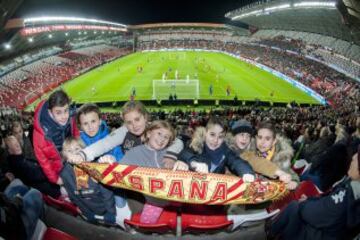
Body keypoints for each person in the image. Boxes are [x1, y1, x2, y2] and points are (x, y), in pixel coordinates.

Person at [268, 145, 360, 240]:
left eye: (358, 157)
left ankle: (268, 233)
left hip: (317, 233)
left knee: (294, 207)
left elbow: (315, 214)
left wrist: (303, 203)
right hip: (323, 228)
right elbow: (326, 201)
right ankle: (271, 232)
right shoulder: (349, 187)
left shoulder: (349, 195)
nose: (353, 157)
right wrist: (309, 199)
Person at [67, 101, 183, 170]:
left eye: (137, 119)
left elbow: (178, 141)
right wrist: (83, 155)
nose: (134, 125)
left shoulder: (155, 129)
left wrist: (171, 155)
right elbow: (104, 144)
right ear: (125, 123)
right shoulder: (124, 131)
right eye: (129, 122)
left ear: (145, 117)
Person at [120, 120, 189, 224]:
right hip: (140, 198)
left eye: (166, 137)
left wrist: (182, 165)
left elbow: (178, 177)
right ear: (148, 134)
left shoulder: (168, 155)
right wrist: (110, 160)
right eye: (159, 133)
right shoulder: (134, 153)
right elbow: (118, 172)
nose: (162, 139)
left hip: (165, 196)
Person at [60, 137, 117, 225]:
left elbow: (107, 193)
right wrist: (85, 212)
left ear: (84, 150)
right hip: (88, 209)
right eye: (69, 151)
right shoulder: (65, 173)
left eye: (77, 149)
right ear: (64, 154)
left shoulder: (94, 167)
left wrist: (111, 212)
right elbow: (74, 197)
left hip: (104, 206)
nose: (74, 153)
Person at [178, 117, 255, 181]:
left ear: (224, 137)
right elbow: (184, 154)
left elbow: (237, 162)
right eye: (212, 134)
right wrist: (194, 163)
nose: (215, 140)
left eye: (220, 137)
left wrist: (247, 173)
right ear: (205, 133)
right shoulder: (196, 145)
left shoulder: (226, 150)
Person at [33, 90, 79, 185]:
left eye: (66, 110)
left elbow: (76, 134)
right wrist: (55, 179)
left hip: (74, 160)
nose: (64, 116)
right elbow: (43, 161)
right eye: (58, 113)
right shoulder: (41, 132)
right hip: (59, 170)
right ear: (50, 111)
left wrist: (80, 153)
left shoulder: (71, 116)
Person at [227, 119, 291, 183]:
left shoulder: (281, 157)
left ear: (274, 141)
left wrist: (293, 180)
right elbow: (253, 161)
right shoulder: (230, 149)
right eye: (242, 134)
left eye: (248, 136)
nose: (245, 138)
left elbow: (290, 173)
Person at [246, 122, 299, 190]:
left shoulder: (280, 158)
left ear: (274, 141)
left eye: (267, 139)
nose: (262, 142)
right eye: (260, 137)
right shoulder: (250, 151)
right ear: (256, 138)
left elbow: (291, 174)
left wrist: (294, 182)